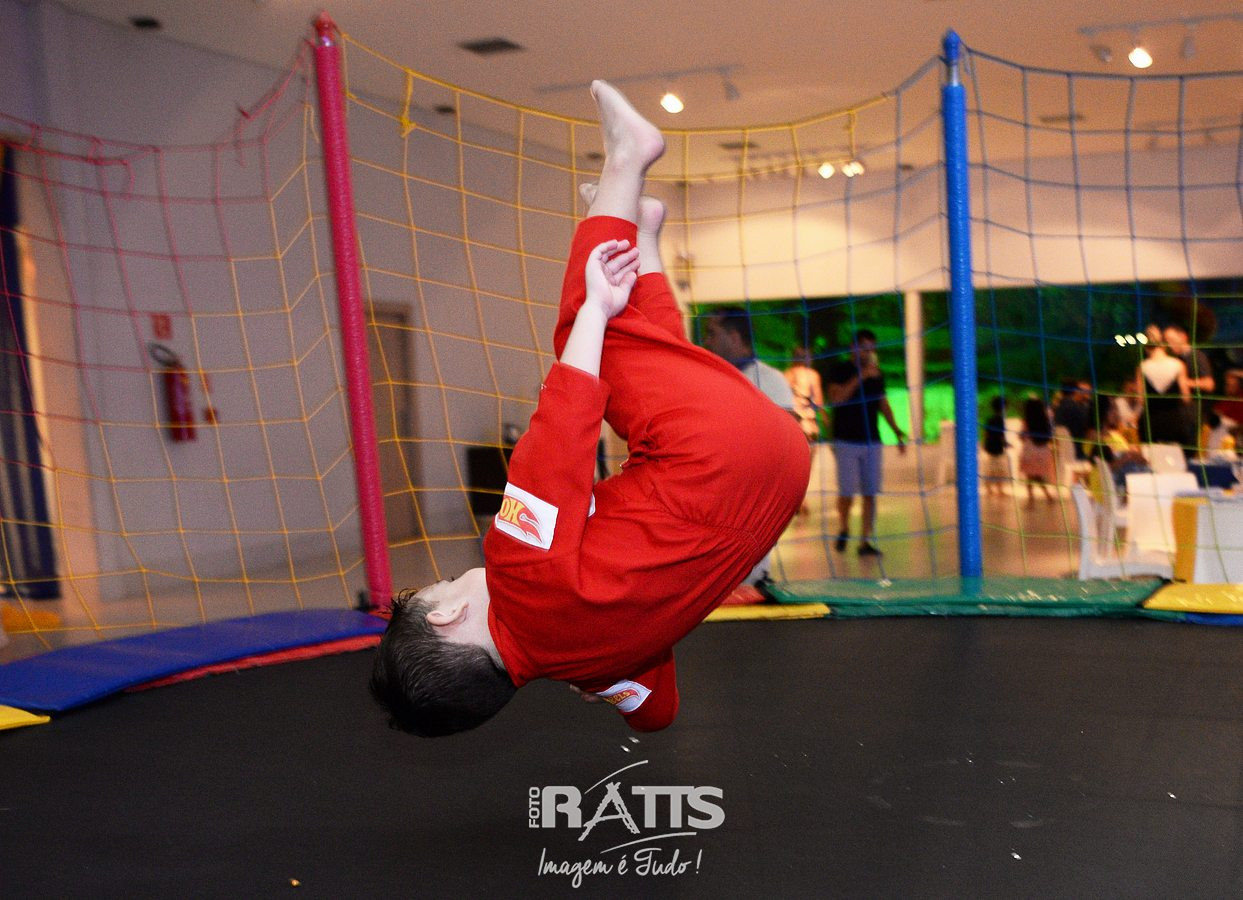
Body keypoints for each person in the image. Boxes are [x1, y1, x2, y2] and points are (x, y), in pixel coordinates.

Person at [369, 81, 810, 737]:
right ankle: (627, 159)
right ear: (446, 615)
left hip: (777, 475)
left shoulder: (597, 665)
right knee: (591, 332)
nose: (452, 578)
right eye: (440, 586)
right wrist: (592, 316)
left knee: (652, 390)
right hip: (716, 451)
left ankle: (644, 235)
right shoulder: (515, 571)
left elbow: (656, 713)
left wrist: (603, 679)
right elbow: (559, 435)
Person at [826, 329, 908, 555]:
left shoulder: (877, 375)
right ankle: (844, 527)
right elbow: (837, 399)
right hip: (846, 440)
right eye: (864, 347)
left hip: (872, 440)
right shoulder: (840, 370)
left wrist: (897, 432)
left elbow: (883, 404)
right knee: (847, 492)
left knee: (870, 493)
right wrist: (861, 377)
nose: (869, 352)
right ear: (853, 347)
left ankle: (865, 541)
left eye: (872, 348)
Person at [701, 308, 797, 412]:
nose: (706, 341)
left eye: (712, 334)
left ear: (734, 338)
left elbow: (786, 421)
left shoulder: (770, 379)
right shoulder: (708, 379)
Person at [1136, 323, 1190, 448]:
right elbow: (1186, 397)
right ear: (1164, 345)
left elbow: (1140, 400)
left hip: (1150, 423)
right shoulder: (1178, 365)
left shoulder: (1142, 367)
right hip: (1174, 422)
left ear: (1146, 347)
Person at [1164, 322, 1215, 449]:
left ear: (1183, 337)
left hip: (1193, 418)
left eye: (1171, 340)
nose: (1169, 345)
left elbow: (1209, 384)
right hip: (1181, 417)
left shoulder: (1196, 356)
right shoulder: (1178, 359)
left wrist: (1184, 382)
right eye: (1167, 341)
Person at [1018, 396, 1055, 503]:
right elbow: (1050, 435)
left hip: (1030, 450)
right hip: (1043, 451)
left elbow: (1022, 435)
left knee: (1030, 475)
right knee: (1037, 475)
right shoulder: (1045, 420)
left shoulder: (1027, 421)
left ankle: (1032, 496)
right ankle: (1045, 495)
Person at [785, 346, 824, 442]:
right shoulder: (812, 375)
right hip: (806, 422)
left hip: (790, 422)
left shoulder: (785, 374)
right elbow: (818, 402)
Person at [981, 395, 1010, 496]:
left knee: (991, 467)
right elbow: (1001, 435)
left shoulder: (990, 419)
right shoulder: (1000, 420)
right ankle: (999, 488)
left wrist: (984, 443)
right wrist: (1006, 444)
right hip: (997, 446)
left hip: (990, 445)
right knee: (999, 468)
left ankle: (989, 487)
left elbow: (986, 432)